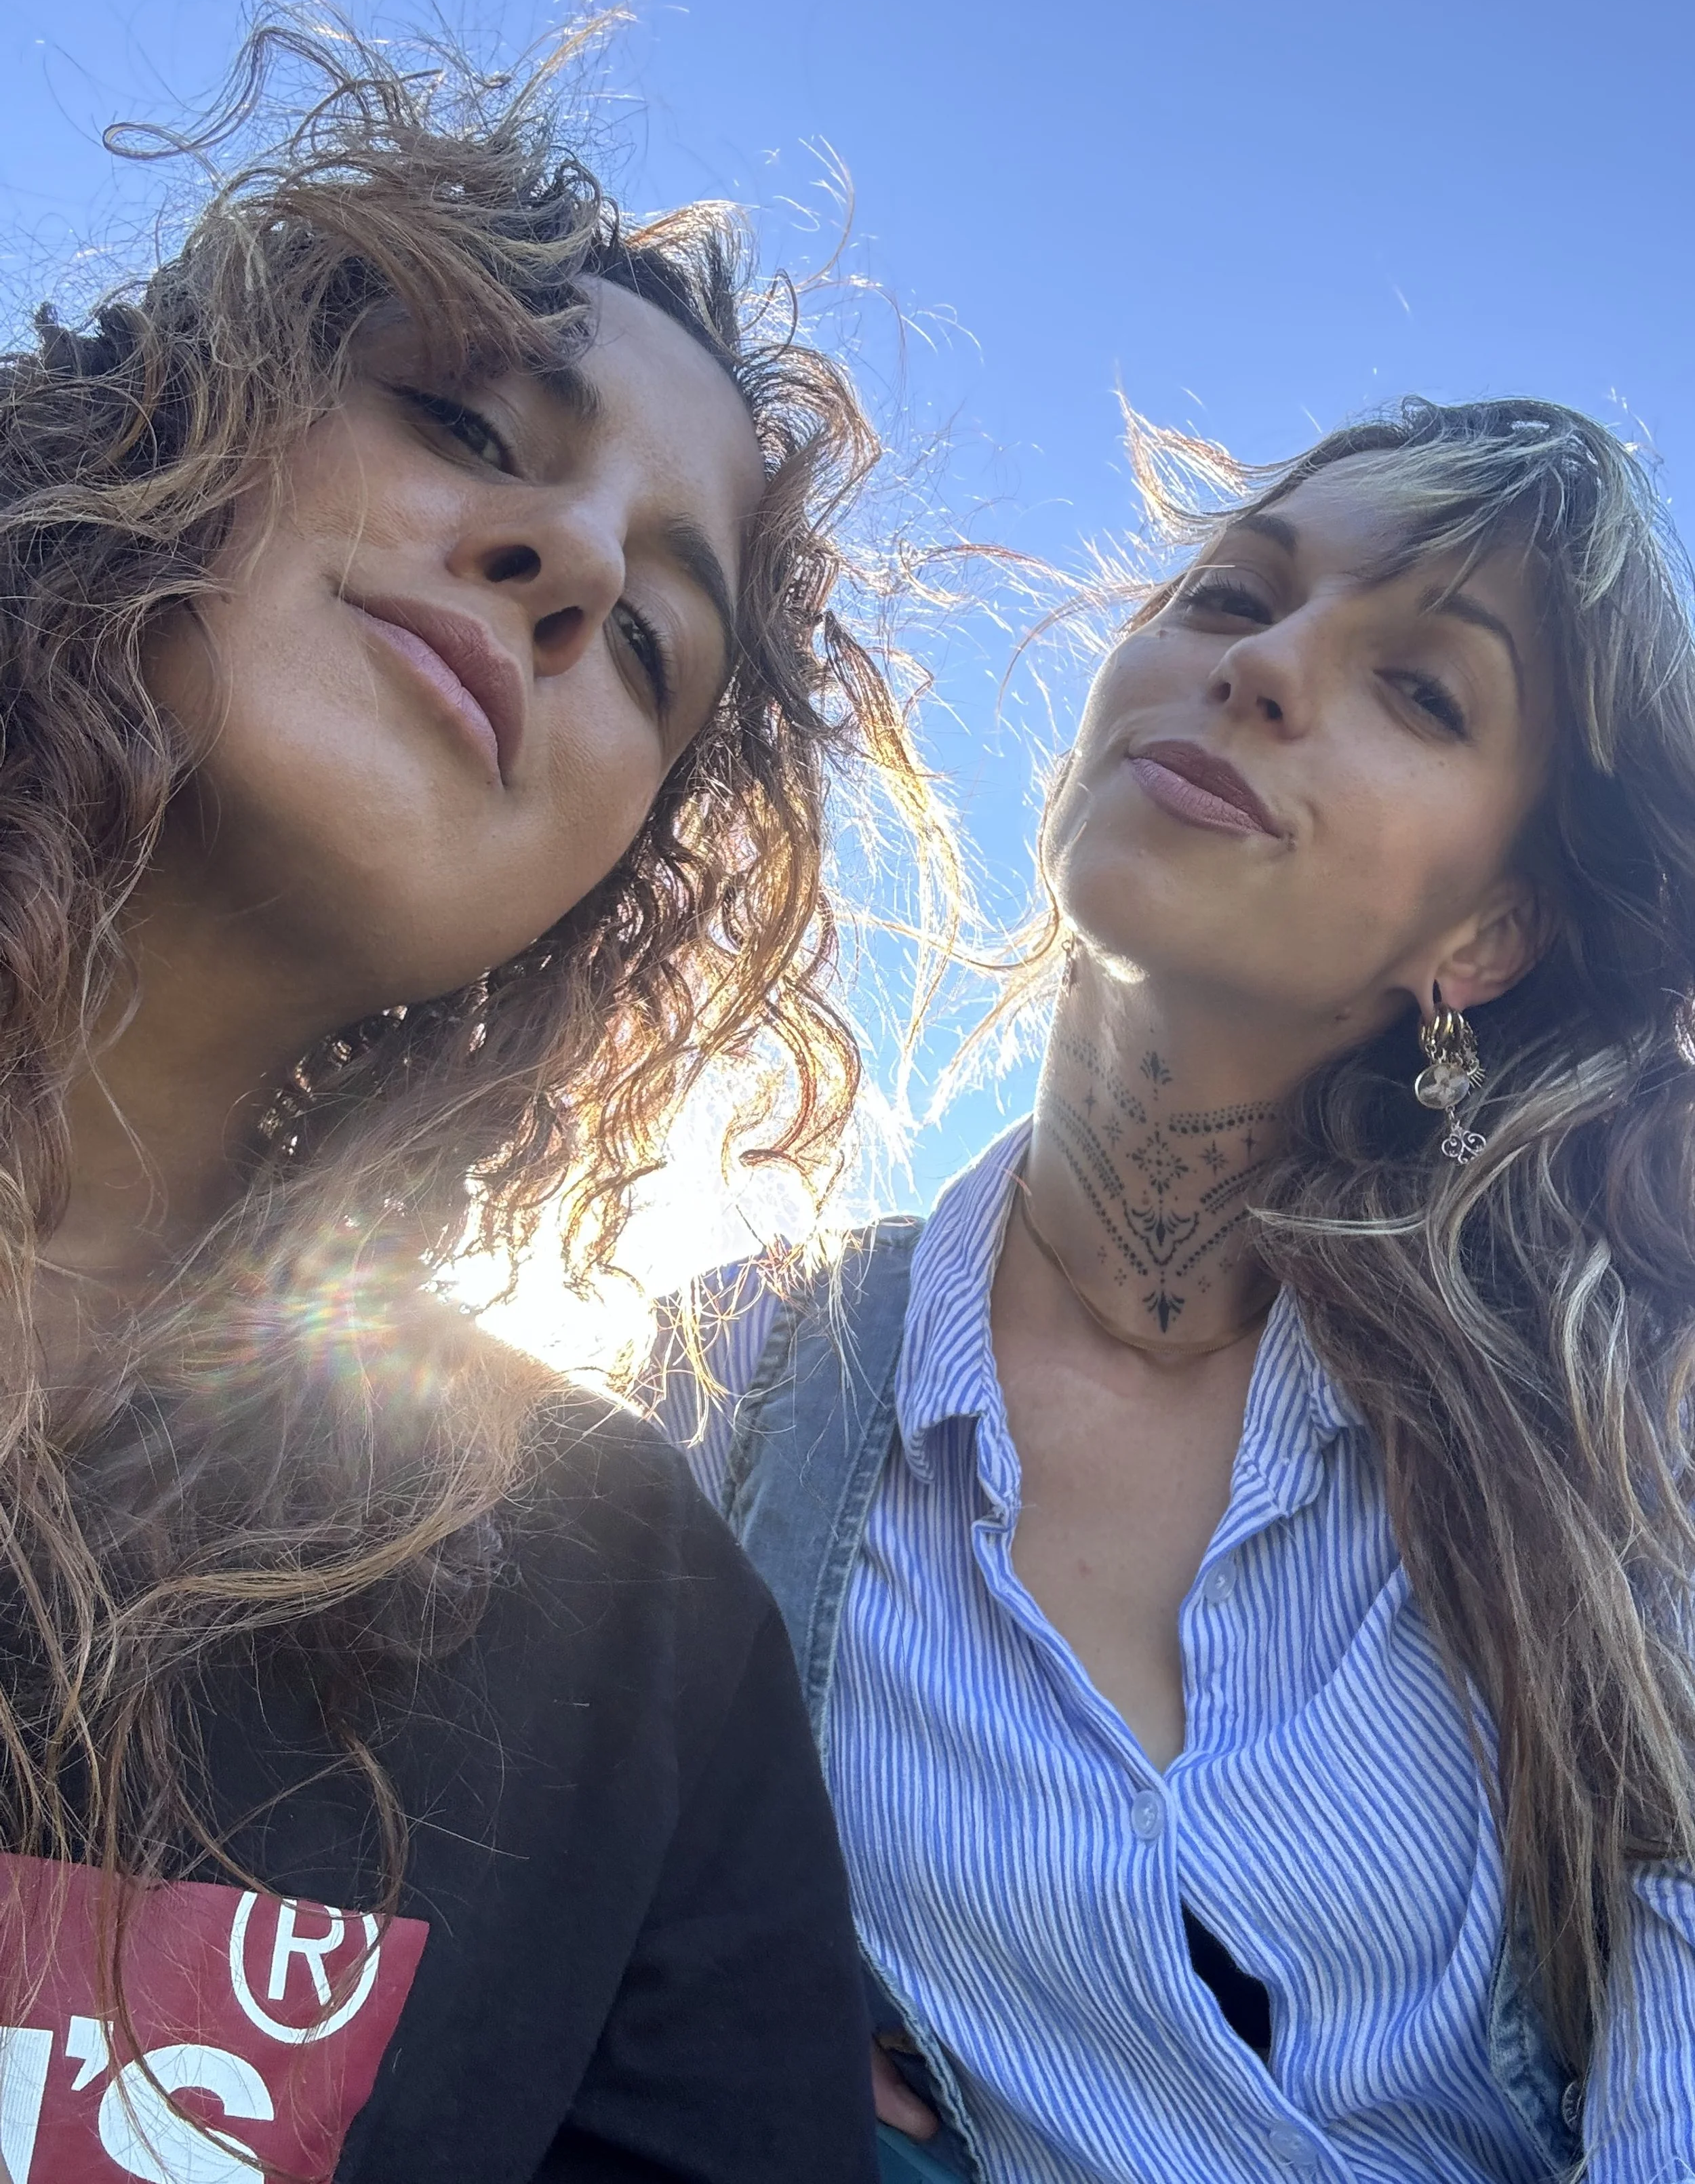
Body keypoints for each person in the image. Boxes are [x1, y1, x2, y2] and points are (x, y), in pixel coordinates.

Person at [0, 3, 934, 2184]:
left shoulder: (617, 1619)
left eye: (649, 653)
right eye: (461, 417)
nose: (574, 568)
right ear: (173, 408)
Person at [647, 397, 1695, 2183]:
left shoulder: (1620, 1420)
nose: (1270, 667)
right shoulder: (734, 1376)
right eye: (1228, 595)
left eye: (1421, 689)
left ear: (1484, 936)